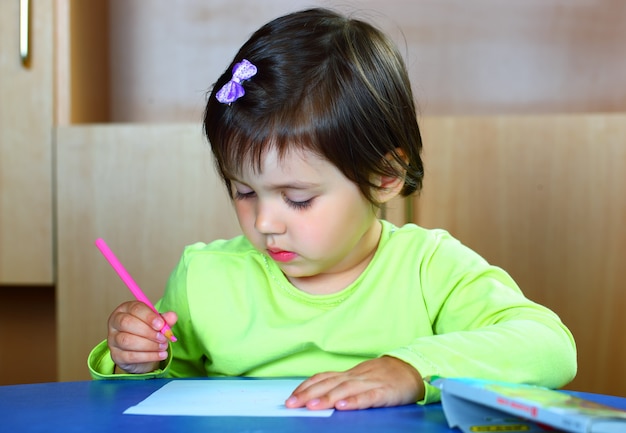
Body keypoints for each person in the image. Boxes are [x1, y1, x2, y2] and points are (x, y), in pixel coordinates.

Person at [88, 8, 576, 410]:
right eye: (243, 191)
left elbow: (550, 348)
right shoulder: (204, 277)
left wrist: (412, 369)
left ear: (384, 177)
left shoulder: (430, 268)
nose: (264, 222)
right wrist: (137, 359)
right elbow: (160, 402)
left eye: (298, 198)